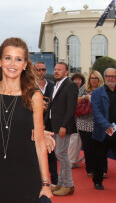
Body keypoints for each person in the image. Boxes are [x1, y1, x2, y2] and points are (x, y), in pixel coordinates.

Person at [0, 38, 52, 203]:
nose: (12, 63)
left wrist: (46, 183)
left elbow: (39, 141)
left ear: (25, 64)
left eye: (18, 59)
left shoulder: (35, 96)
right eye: (8, 58)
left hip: (26, 176)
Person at [45, 62, 78, 196]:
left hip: (64, 126)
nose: (56, 71)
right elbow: (52, 106)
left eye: (60, 70)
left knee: (61, 154)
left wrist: (64, 125)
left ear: (66, 72)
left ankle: (68, 185)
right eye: (55, 69)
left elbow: (71, 107)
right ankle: (61, 183)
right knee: (59, 154)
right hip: (54, 125)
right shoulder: (55, 85)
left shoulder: (71, 85)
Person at [91, 67, 116, 190]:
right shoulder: (97, 93)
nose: (111, 78)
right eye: (108, 76)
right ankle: (97, 181)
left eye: (113, 76)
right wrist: (107, 126)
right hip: (102, 131)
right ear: (104, 77)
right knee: (99, 158)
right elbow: (96, 112)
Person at [34, 61, 58, 186]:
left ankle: (54, 179)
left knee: (51, 153)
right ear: (34, 71)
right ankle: (37, 181)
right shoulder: (28, 86)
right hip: (34, 125)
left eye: (43, 69)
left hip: (50, 124)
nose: (41, 72)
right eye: (38, 70)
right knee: (35, 154)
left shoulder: (52, 86)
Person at [77, 70, 104, 177]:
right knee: (87, 147)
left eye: (96, 78)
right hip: (83, 122)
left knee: (97, 148)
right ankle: (90, 169)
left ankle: (99, 169)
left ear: (99, 79)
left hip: (98, 123)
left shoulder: (103, 90)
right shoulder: (84, 89)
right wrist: (85, 97)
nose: (94, 80)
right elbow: (75, 100)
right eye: (92, 78)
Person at [68, 72, 85, 169]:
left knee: (79, 140)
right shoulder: (70, 89)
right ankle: (70, 160)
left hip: (82, 117)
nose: (78, 81)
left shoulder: (84, 90)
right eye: (76, 79)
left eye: (79, 79)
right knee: (73, 139)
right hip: (72, 117)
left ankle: (74, 161)